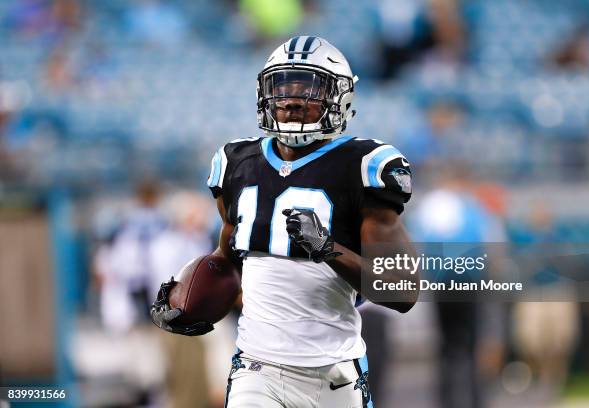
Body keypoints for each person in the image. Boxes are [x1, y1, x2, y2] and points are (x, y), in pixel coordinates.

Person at [151, 36, 418, 408]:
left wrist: (328, 249)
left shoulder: (363, 166)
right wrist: (189, 294)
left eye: (309, 89)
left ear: (339, 97)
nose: (292, 100)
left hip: (335, 372)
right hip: (256, 368)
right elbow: (227, 256)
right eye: (282, 88)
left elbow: (403, 291)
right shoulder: (236, 164)